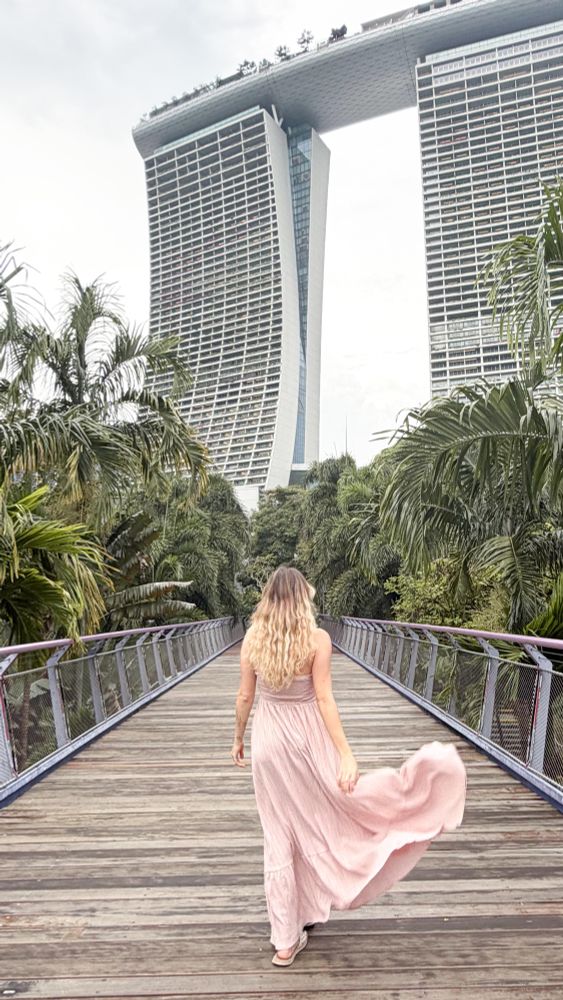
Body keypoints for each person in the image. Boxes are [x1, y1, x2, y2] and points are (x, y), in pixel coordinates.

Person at [231, 566, 467, 967]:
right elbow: (324, 700)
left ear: (268, 599)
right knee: (329, 812)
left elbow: (243, 697)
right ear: (303, 600)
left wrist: (237, 738)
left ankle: (285, 941)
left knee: (279, 834)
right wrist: (345, 754)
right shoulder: (317, 640)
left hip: (268, 744)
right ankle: (420, 790)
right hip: (307, 741)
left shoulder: (253, 639)